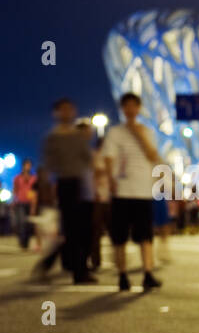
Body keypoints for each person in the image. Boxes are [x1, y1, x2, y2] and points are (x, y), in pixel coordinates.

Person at [99, 93, 162, 291]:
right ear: (122, 109)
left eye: (134, 106)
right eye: (126, 106)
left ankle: (148, 273)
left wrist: (138, 133)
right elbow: (108, 157)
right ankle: (123, 276)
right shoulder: (115, 132)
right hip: (122, 190)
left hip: (143, 190)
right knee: (120, 237)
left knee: (146, 236)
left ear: (138, 108)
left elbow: (153, 155)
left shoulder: (148, 131)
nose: (130, 110)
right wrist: (110, 180)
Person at [38, 98, 96, 283]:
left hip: (80, 184)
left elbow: (88, 159)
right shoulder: (52, 137)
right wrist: (46, 187)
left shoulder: (77, 136)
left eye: (69, 109)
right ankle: (78, 270)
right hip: (64, 184)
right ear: (56, 113)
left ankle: (66, 265)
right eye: (62, 110)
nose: (66, 113)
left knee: (80, 230)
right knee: (72, 230)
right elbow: (48, 164)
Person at [12, 160, 37, 250]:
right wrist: (13, 200)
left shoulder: (34, 178)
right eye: (26, 165)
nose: (28, 167)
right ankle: (22, 241)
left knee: (29, 224)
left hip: (30, 203)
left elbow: (35, 192)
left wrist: (34, 205)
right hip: (20, 202)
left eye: (29, 165)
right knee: (21, 222)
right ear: (23, 166)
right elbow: (15, 190)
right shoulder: (17, 178)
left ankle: (26, 242)